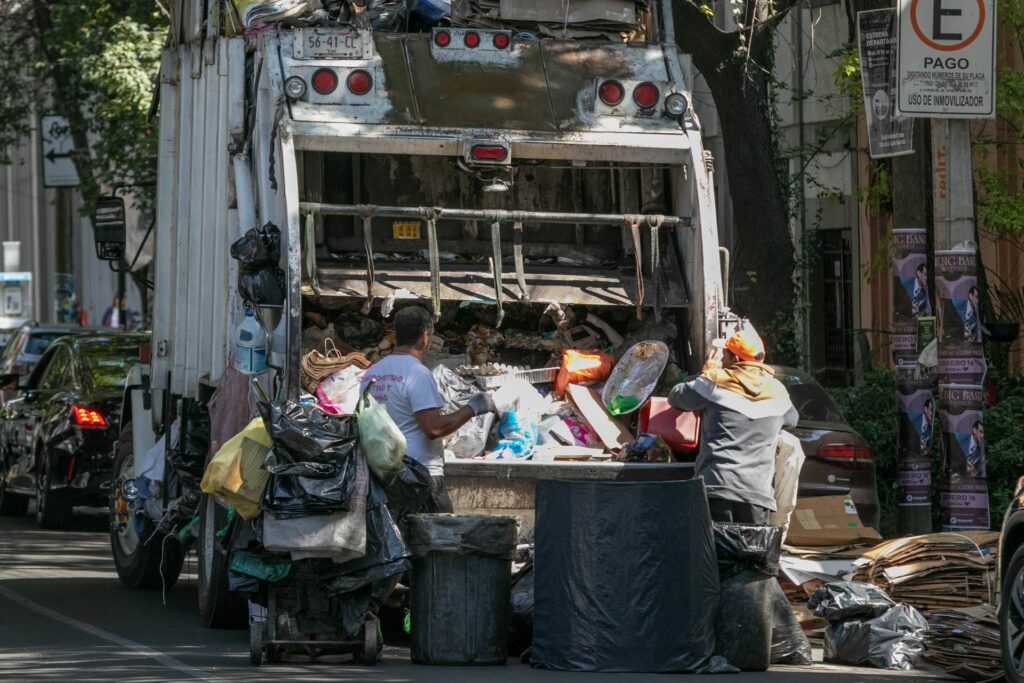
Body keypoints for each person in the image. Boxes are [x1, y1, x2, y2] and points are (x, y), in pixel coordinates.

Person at [360, 305, 496, 512]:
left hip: (385, 473)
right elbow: (434, 429)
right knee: (440, 539)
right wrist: (473, 407)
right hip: (420, 476)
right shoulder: (418, 374)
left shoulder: (372, 373)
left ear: (396, 335)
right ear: (425, 337)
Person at [668, 323, 798, 524]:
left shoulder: (716, 382)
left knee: (711, 553)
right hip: (757, 495)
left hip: (716, 488)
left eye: (725, 354)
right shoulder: (777, 391)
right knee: (749, 554)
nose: (722, 358)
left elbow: (676, 398)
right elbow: (792, 421)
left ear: (735, 358)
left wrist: (705, 374)